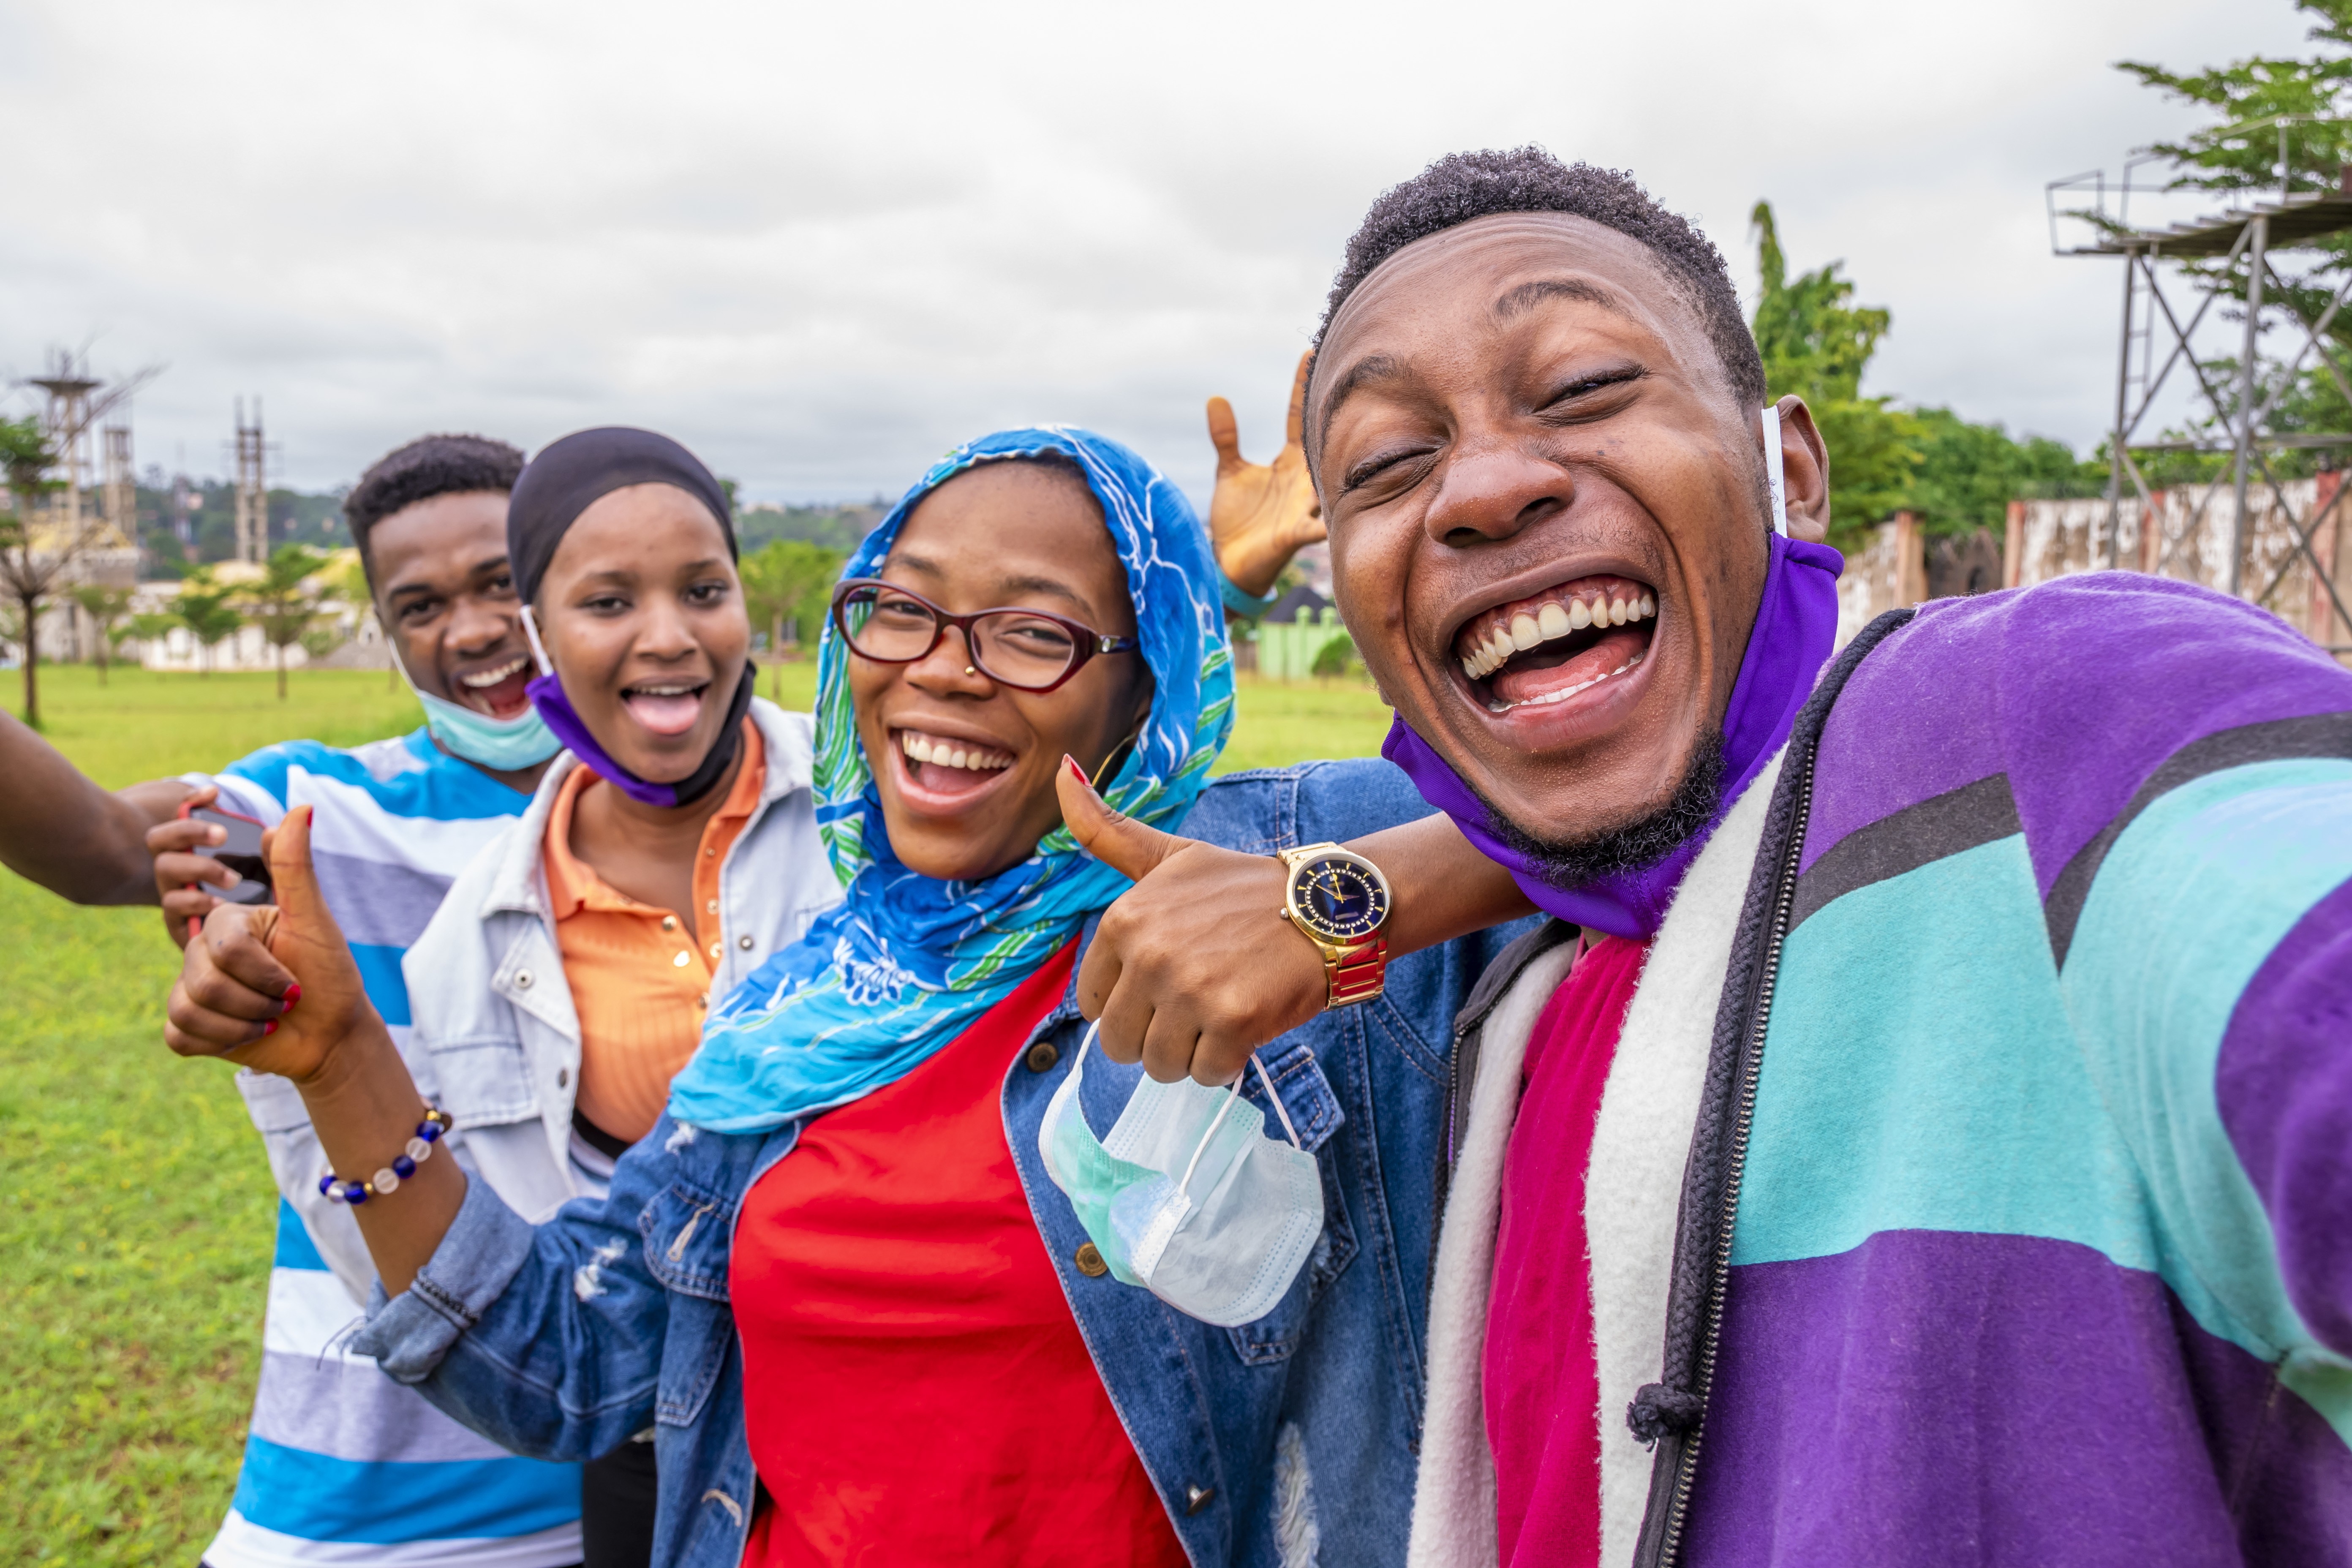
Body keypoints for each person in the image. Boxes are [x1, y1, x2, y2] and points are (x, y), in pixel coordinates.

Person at [1067, 147, 2352, 1568]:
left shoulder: (2042, 714)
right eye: (1385, 462)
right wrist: (1355, 901)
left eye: (1582, 389)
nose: (1483, 488)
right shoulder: (1523, 993)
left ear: (1787, 466)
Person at [161, 423, 1538, 1567]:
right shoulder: (806, 1014)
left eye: (1035, 632)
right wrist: (340, 1060)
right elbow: (564, 1366)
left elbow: (1679, 797)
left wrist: (1344, 901)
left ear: (1147, 688)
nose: (941, 665)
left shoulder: (1290, 860)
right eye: (903, 607)